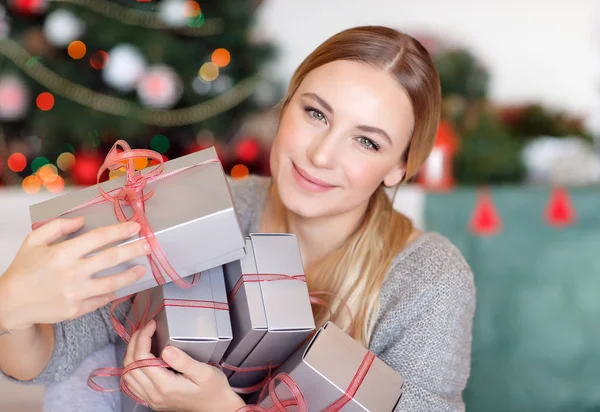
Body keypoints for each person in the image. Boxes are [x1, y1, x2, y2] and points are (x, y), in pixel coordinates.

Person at [0, 25, 475, 412]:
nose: (321, 154)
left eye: (366, 141)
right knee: (92, 369)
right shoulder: (209, 203)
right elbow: (54, 358)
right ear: (286, 106)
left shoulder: (429, 279)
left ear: (399, 168)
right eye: (316, 113)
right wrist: (12, 306)